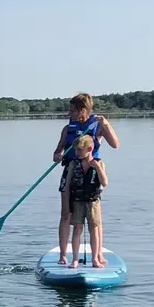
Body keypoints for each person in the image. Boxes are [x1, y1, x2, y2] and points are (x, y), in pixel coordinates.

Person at [51, 93, 118, 260]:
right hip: (71, 171)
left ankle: (99, 253)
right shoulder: (68, 129)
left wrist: (106, 124)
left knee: (94, 217)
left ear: (82, 110)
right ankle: (63, 255)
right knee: (66, 213)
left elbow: (115, 145)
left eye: (72, 110)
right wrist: (57, 155)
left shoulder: (98, 125)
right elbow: (57, 151)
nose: (69, 114)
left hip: (91, 172)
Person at [64, 135, 108, 267]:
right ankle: (75, 259)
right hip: (77, 201)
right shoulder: (73, 164)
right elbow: (67, 185)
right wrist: (67, 204)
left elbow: (104, 183)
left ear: (89, 149)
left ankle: (95, 258)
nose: (77, 153)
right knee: (77, 228)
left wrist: (98, 168)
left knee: (94, 229)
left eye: (79, 150)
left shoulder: (99, 163)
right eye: (76, 150)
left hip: (93, 202)